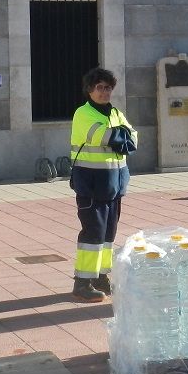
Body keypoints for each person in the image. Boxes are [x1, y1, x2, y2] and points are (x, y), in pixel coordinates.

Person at [69, 67, 138, 303]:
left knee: (109, 234)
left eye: (108, 88)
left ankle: (100, 276)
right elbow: (108, 138)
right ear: (90, 90)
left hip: (114, 185)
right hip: (90, 184)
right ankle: (82, 282)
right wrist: (121, 135)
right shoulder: (83, 113)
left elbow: (134, 139)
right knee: (93, 233)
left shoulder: (116, 113)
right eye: (99, 87)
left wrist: (121, 135)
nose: (104, 92)